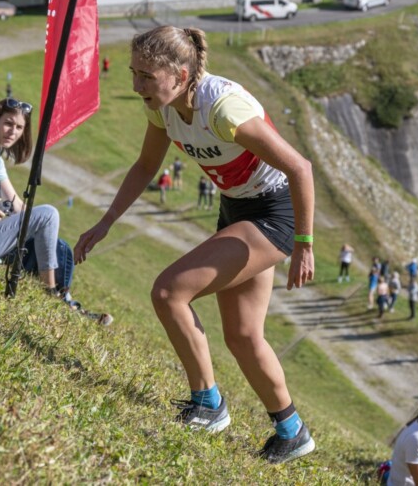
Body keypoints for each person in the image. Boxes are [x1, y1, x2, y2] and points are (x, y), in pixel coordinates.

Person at [73, 26, 316, 464]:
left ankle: (208, 405)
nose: (137, 85)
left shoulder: (223, 108)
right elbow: (146, 165)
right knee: (243, 335)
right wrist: (107, 221)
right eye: (133, 73)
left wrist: (304, 244)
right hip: (237, 208)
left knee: (169, 292)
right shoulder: (163, 108)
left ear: (181, 75)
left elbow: (300, 168)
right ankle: (291, 431)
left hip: (274, 213)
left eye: (147, 76)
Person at [0, 98, 110, 324]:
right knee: (49, 213)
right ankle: (50, 293)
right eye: (8, 123)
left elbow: (17, 205)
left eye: (19, 127)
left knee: (58, 245)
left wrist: (38, 228)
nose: (12, 132)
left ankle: (66, 300)